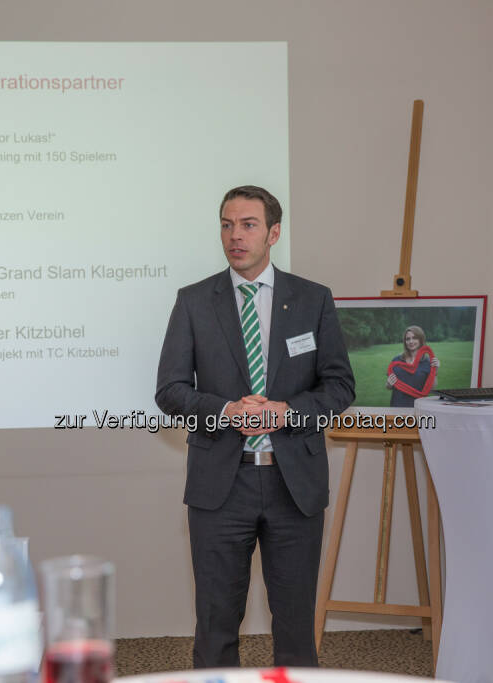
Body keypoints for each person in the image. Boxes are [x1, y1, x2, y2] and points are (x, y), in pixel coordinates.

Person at [155, 185, 355, 668]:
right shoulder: (195, 301)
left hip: (294, 485)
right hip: (222, 484)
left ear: (274, 233)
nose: (234, 236)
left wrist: (286, 411)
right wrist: (227, 411)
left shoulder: (312, 299)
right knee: (217, 621)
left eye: (247, 225)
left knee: (294, 624)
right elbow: (170, 390)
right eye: (227, 225)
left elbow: (340, 387)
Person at [386, 325, 438, 407]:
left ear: (421, 340)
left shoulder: (428, 362)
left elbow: (431, 389)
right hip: (397, 406)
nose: (411, 341)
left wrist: (435, 370)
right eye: (408, 339)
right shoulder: (397, 360)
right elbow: (388, 386)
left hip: (418, 408)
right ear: (405, 341)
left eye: (414, 338)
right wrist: (389, 384)